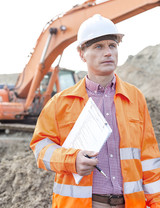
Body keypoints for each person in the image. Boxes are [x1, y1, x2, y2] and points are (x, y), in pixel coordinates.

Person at [30, 14, 160, 208]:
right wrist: (71, 160)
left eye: (112, 45)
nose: (108, 52)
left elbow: (149, 158)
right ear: (82, 53)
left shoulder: (135, 98)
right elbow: (40, 148)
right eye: (98, 47)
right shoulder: (60, 103)